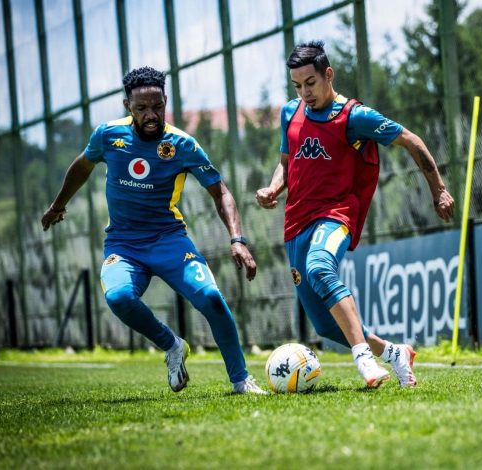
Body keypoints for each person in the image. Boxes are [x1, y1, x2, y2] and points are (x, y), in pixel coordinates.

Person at [42, 66, 266, 395]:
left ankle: (241, 381)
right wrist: (57, 205)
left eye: (157, 106)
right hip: (124, 245)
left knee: (210, 298)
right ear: (126, 106)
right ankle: (172, 345)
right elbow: (82, 166)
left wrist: (237, 239)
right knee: (118, 296)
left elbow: (221, 192)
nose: (151, 115)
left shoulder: (183, 144)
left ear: (165, 101)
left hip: (169, 241)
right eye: (141, 108)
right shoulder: (108, 135)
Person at [256, 41, 455, 388]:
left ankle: (363, 360)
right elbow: (287, 164)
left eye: (311, 83)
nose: (304, 93)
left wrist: (438, 190)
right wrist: (274, 188)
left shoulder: (354, 117)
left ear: (328, 74)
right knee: (325, 324)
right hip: (295, 224)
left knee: (320, 266)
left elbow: (412, 140)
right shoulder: (290, 113)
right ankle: (394, 353)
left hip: (336, 214)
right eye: (297, 86)